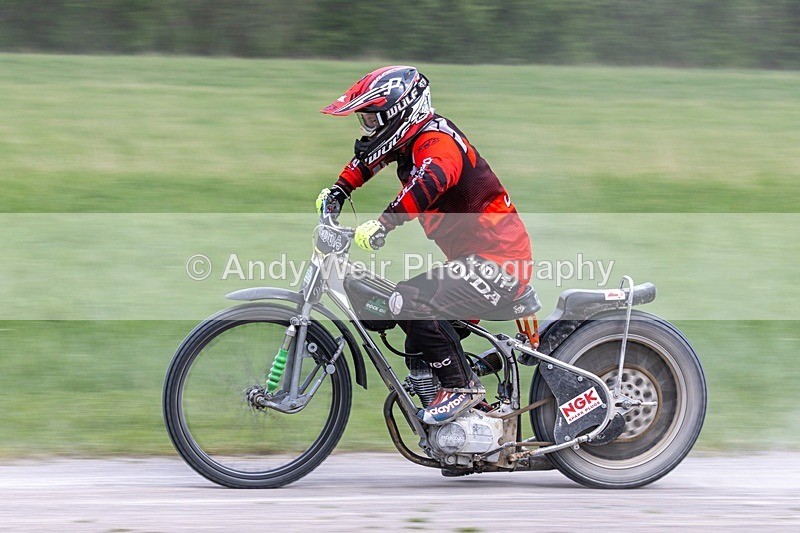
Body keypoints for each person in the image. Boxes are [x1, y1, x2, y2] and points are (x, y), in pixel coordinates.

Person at [317, 66, 532, 425]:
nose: (368, 129)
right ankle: (474, 423)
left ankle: (462, 390)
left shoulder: (437, 144)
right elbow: (369, 160)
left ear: (400, 114)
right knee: (417, 334)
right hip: (478, 258)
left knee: (408, 300)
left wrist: (384, 223)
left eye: (372, 119)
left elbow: (427, 183)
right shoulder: (410, 139)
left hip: (500, 261)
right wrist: (341, 189)